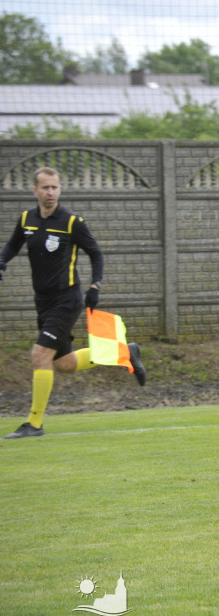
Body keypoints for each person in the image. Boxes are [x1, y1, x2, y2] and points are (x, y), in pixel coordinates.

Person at [0, 167, 146, 439]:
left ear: (59, 189)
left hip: (66, 300)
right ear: (35, 191)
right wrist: (2, 260)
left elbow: (96, 253)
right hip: (42, 302)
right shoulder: (26, 219)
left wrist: (95, 285)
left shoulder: (71, 222)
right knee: (63, 364)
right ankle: (125, 352)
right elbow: (11, 246)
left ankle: (34, 424)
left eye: (55, 187)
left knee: (39, 355)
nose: (51, 192)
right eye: (45, 187)